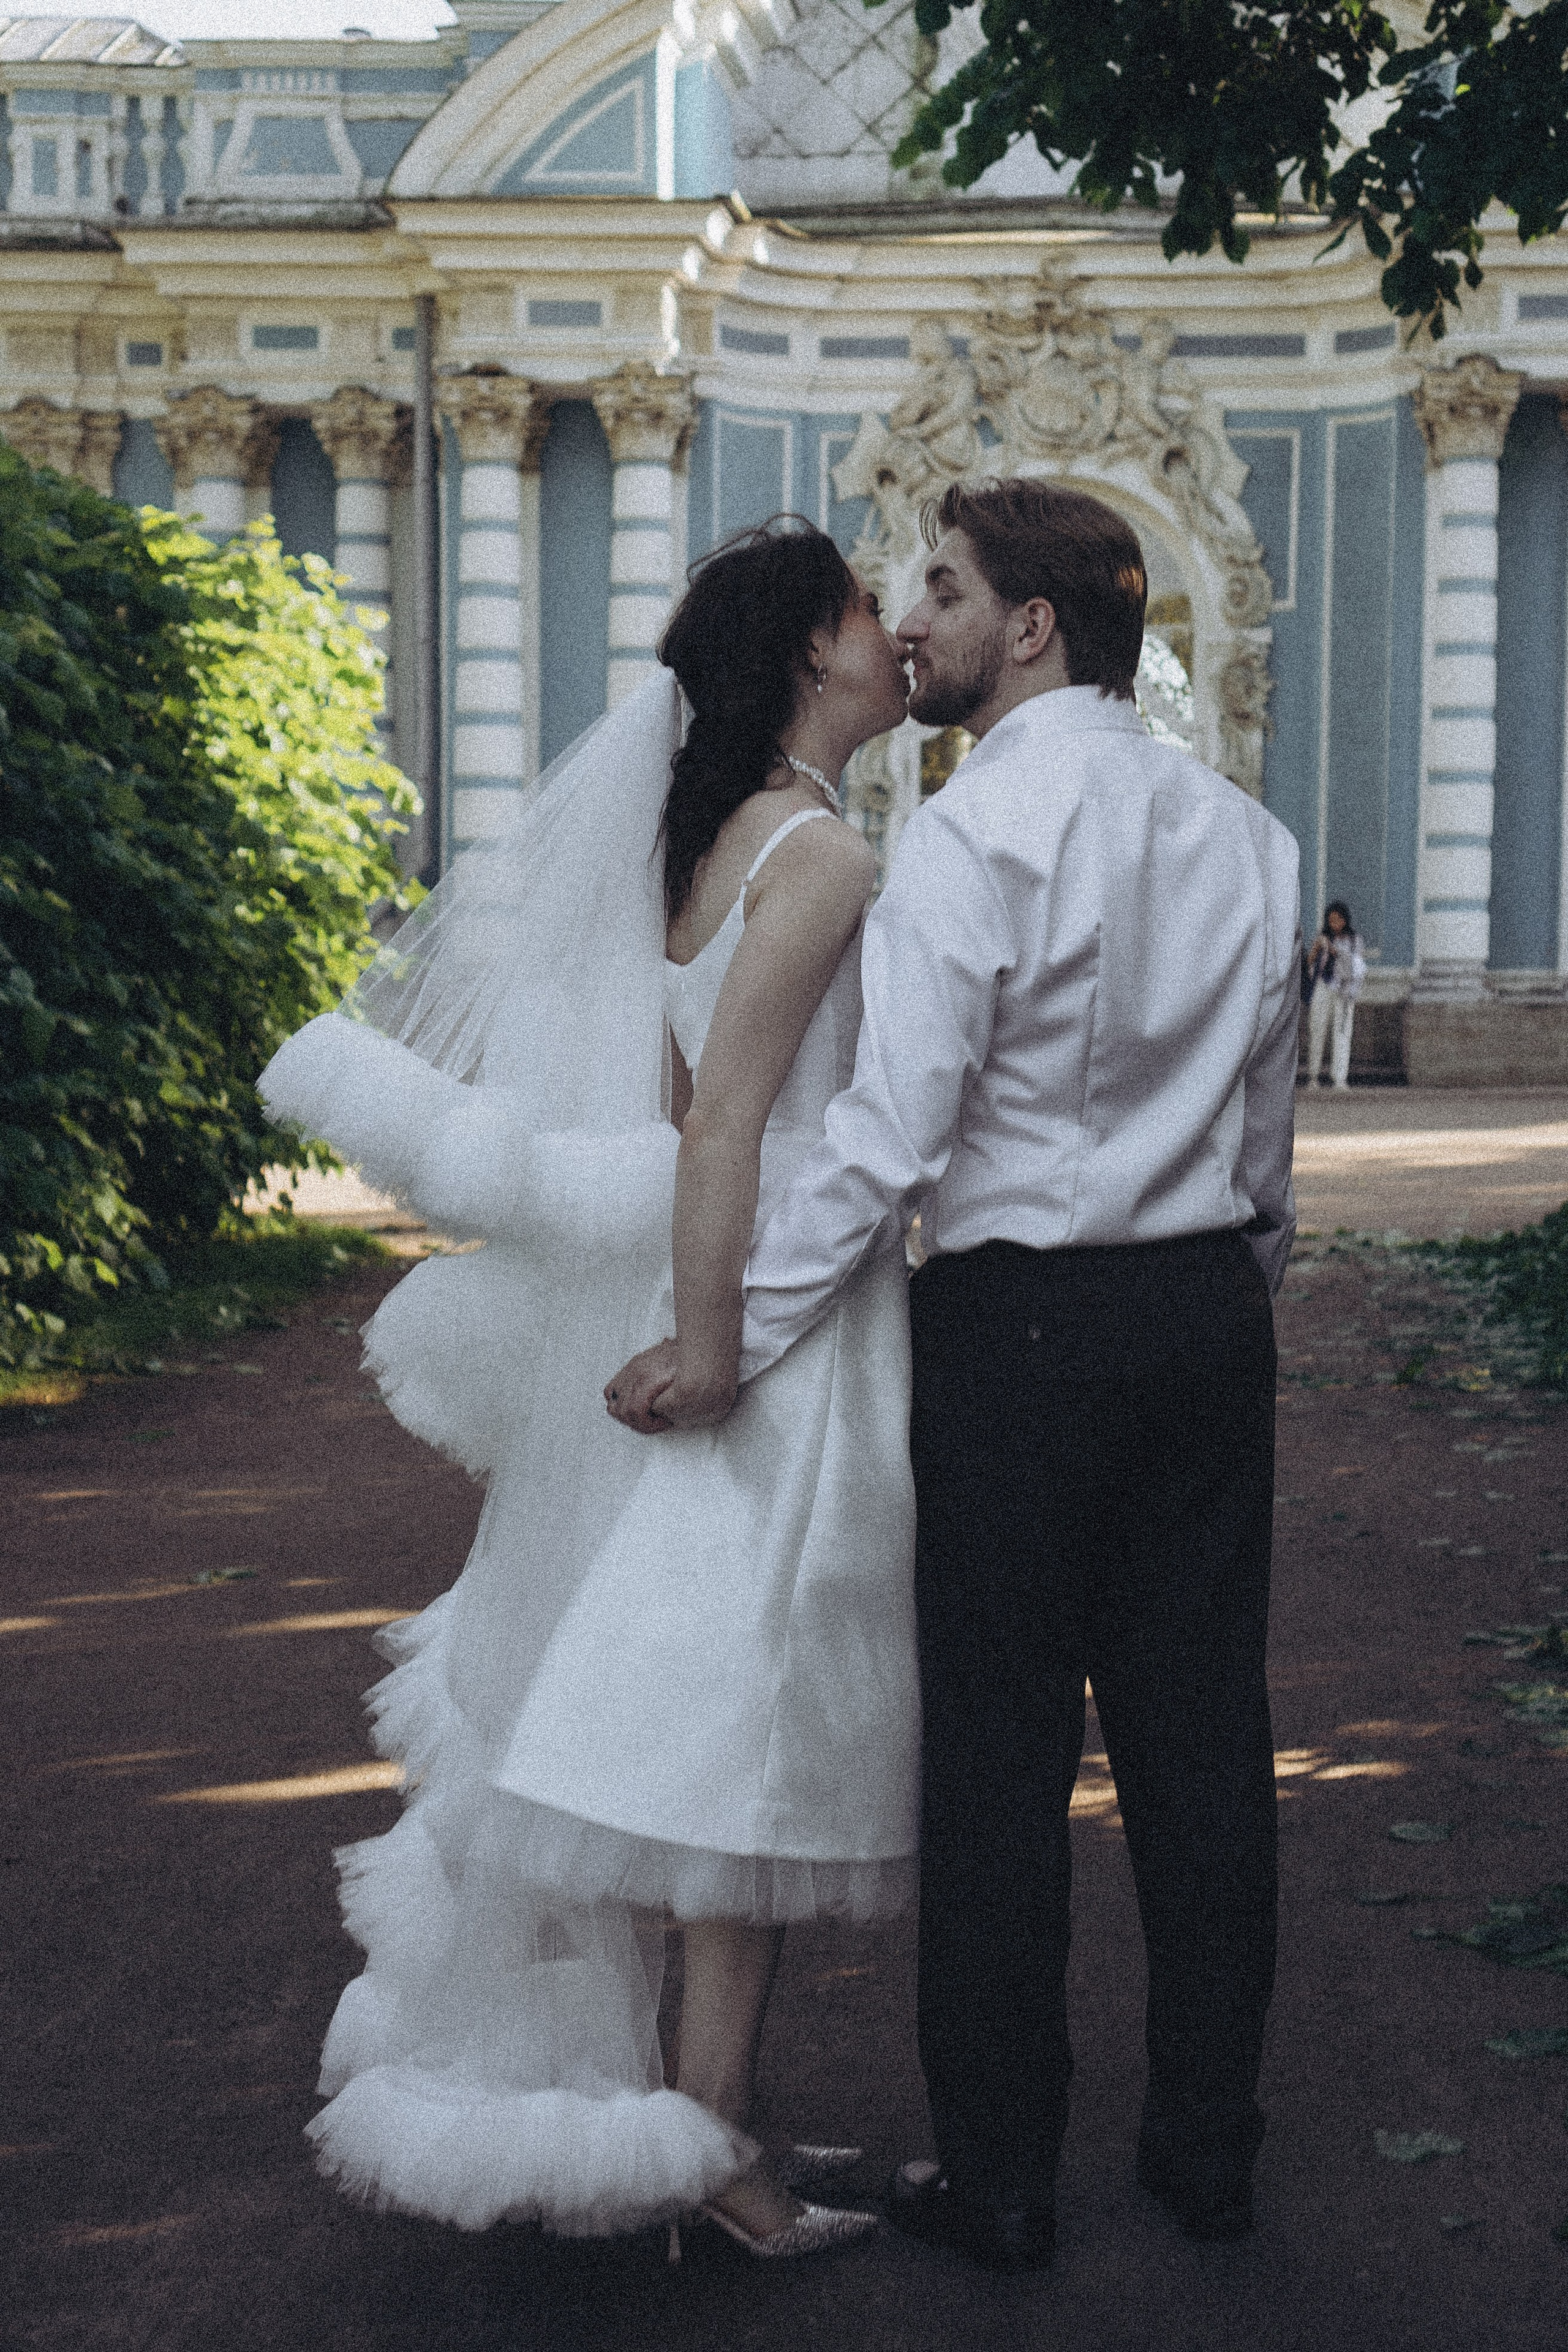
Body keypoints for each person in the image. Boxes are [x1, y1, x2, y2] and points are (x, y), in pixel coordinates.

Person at [612, 476, 1302, 2274]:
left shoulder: (968, 840)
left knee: (995, 1768)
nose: (905, 615)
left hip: (1011, 1331)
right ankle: (1206, 2150)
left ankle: (1002, 2176)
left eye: (941, 583)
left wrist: (725, 1340)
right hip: (1203, 1320)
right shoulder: (1248, 835)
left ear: (1032, 627)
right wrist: (1229, 1285)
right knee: (1203, 1748)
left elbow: (881, 1145)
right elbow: (1266, 1140)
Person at [255, 521, 919, 2257]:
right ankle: (726, 2174)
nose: (894, 636)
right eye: (868, 611)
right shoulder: (823, 860)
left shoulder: (707, 847)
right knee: (745, 1750)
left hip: (716, 1300)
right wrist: (715, 1345)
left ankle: (712, 2148)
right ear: (806, 657)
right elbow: (723, 1129)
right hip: (771, 1329)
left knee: (692, 1740)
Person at [1304, 900, 1366, 1090]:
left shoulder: (1354, 940)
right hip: (1323, 986)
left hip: (1344, 990)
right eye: (1331, 921)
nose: (1334, 925)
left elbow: (1357, 966)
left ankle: (1340, 1077)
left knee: (1342, 1032)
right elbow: (1309, 966)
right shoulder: (1322, 937)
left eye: (1338, 920)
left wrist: (1333, 950)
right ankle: (1313, 1076)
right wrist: (1316, 949)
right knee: (1317, 1029)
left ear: (1345, 920)